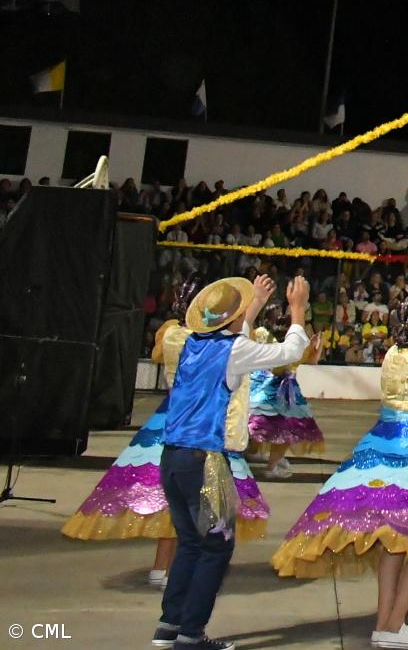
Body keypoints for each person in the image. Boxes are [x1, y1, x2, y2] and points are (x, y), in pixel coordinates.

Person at [272, 315, 408, 650]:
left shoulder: (393, 353)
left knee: (394, 538)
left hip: (385, 445)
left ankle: (385, 624)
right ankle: (394, 623)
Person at [143, 275, 309, 650]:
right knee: (216, 547)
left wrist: (253, 305)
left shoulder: (189, 343)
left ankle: (170, 624)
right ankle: (191, 634)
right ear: (233, 318)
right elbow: (289, 351)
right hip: (204, 459)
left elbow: (233, 338)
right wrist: (297, 308)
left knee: (190, 542)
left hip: (172, 457)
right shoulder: (234, 350)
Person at [62, 322, 270, 592]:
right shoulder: (202, 343)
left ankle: (162, 567)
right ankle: (174, 570)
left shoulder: (175, 336)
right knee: (191, 506)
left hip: (171, 424)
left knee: (170, 505)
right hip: (195, 429)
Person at [245, 330, 324, 479]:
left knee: (267, 427)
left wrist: (312, 349)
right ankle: (271, 465)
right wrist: (311, 349)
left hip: (263, 390)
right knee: (286, 430)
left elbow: (309, 360)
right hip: (277, 394)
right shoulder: (280, 342)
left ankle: (260, 455)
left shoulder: (262, 335)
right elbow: (303, 361)